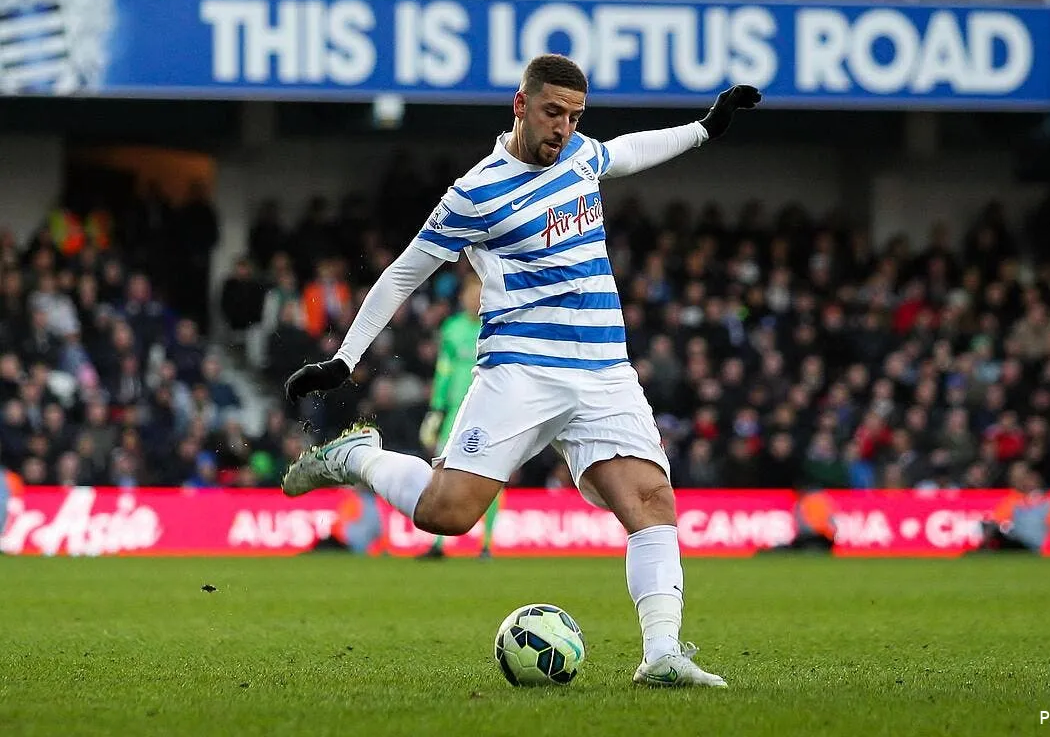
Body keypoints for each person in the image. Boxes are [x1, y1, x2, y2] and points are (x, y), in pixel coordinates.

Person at [282, 53, 760, 688]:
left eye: (575, 116)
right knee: (447, 514)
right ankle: (358, 457)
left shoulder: (580, 156)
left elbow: (626, 151)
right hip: (521, 371)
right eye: (552, 112)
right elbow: (402, 274)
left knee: (651, 501)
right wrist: (345, 359)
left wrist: (705, 128)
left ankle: (661, 654)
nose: (564, 127)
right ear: (520, 104)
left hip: (604, 370)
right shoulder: (475, 193)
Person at [417, 272, 500, 560]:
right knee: (443, 471)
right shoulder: (451, 329)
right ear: (462, 297)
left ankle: (486, 544)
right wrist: (436, 408)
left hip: (489, 410)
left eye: (479, 295)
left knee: (493, 474)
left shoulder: (497, 327)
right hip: (455, 410)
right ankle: (439, 543)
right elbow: (444, 370)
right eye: (470, 295)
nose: (475, 301)